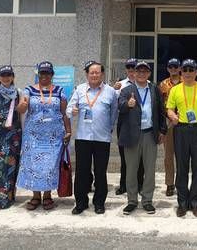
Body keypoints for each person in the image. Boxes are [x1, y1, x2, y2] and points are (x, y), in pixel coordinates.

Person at [16, 61, 72, 211]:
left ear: (52, 75)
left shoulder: (60, 91)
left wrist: (68, 131)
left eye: (47, 73)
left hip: (53, 137)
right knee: (33, 166)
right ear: (38, 74)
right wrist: (22, 105)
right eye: (42, 73)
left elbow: (65, 113)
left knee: (50, 166)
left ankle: (47, 196)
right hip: (33, 136)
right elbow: (21, 108)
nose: (44, 76)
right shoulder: (28, 90)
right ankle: (35, 196)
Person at [67, 61, 118, 214]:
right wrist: (73, 111)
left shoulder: (110, 92)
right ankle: (81, 203)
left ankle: (99, 202)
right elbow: (69, 108)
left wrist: (109, 129)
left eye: (97, 72)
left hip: (102, 138)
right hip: (83, 137)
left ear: (102, 74)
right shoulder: (79, 90)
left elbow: (114, 112)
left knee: (100, 172)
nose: (94, 75)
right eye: (91, 72)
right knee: (82, 171)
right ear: (87, 74)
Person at [166, 58, 197, 218]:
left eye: (191, 70)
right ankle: (182, 202)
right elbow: (170, 109)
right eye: (185, 70)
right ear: (181, 72)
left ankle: (195, 202)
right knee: (181, 167)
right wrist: (172, 116)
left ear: (196, 72)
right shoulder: (175, 90)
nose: (187, 73)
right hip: (181, 130)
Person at [118, 61, 167, 215]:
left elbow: (161, 111)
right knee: (131, 170)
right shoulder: (127, 90)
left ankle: (147, 200)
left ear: (149, 74)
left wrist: (162, 130)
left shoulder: (154, 89)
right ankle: (132, 200)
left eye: (144, 71)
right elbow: (120, 106)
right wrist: (128, 104)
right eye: (138, 71)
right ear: (133, 73)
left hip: (149, 134)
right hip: (132, 135)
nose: (141, 74)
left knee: (150, 169)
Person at [0, 65, 23, 210]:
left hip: (14, 136)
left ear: (13, 77)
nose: (6, 78)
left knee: (11, 167)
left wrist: (23, 107)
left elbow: (23, 113)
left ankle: (8, 199)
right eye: (3, 75)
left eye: (9, 75)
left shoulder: (19, 93)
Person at [113, 58, 144, 195]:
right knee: (124, 155)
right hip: (124, 123)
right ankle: (123, 184)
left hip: (140, 124)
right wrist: (115, 90)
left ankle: (140, 184)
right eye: (129, 69)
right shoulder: (120, 85)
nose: (131, 72)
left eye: (134, 69)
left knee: (140, 157)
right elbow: (114, 103)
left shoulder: (146, 84)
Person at [157, 57, 182, 196]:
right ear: (168, 69)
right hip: (168, 121)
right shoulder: (163, 84)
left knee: (182, 155)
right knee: (168, 155)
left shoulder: (186, 82)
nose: (173, 69)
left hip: (184, 122)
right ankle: (170, 184)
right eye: (170, 67)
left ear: (179, 68)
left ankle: (181, 182)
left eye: (175, 66)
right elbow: (160, 106)